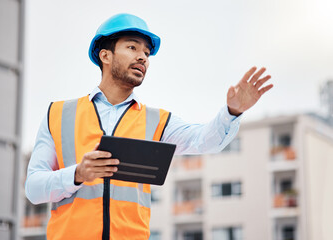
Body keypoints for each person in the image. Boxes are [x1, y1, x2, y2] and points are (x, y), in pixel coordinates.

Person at [25, 13, 273, 240]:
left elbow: (204, 140)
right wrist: (77, 174)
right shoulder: (57, 114)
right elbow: (34, 189)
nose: (143, 57)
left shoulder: (158, 121)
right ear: (105, 55)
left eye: (146, 52)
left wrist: (233, 111)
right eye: (132, 47)